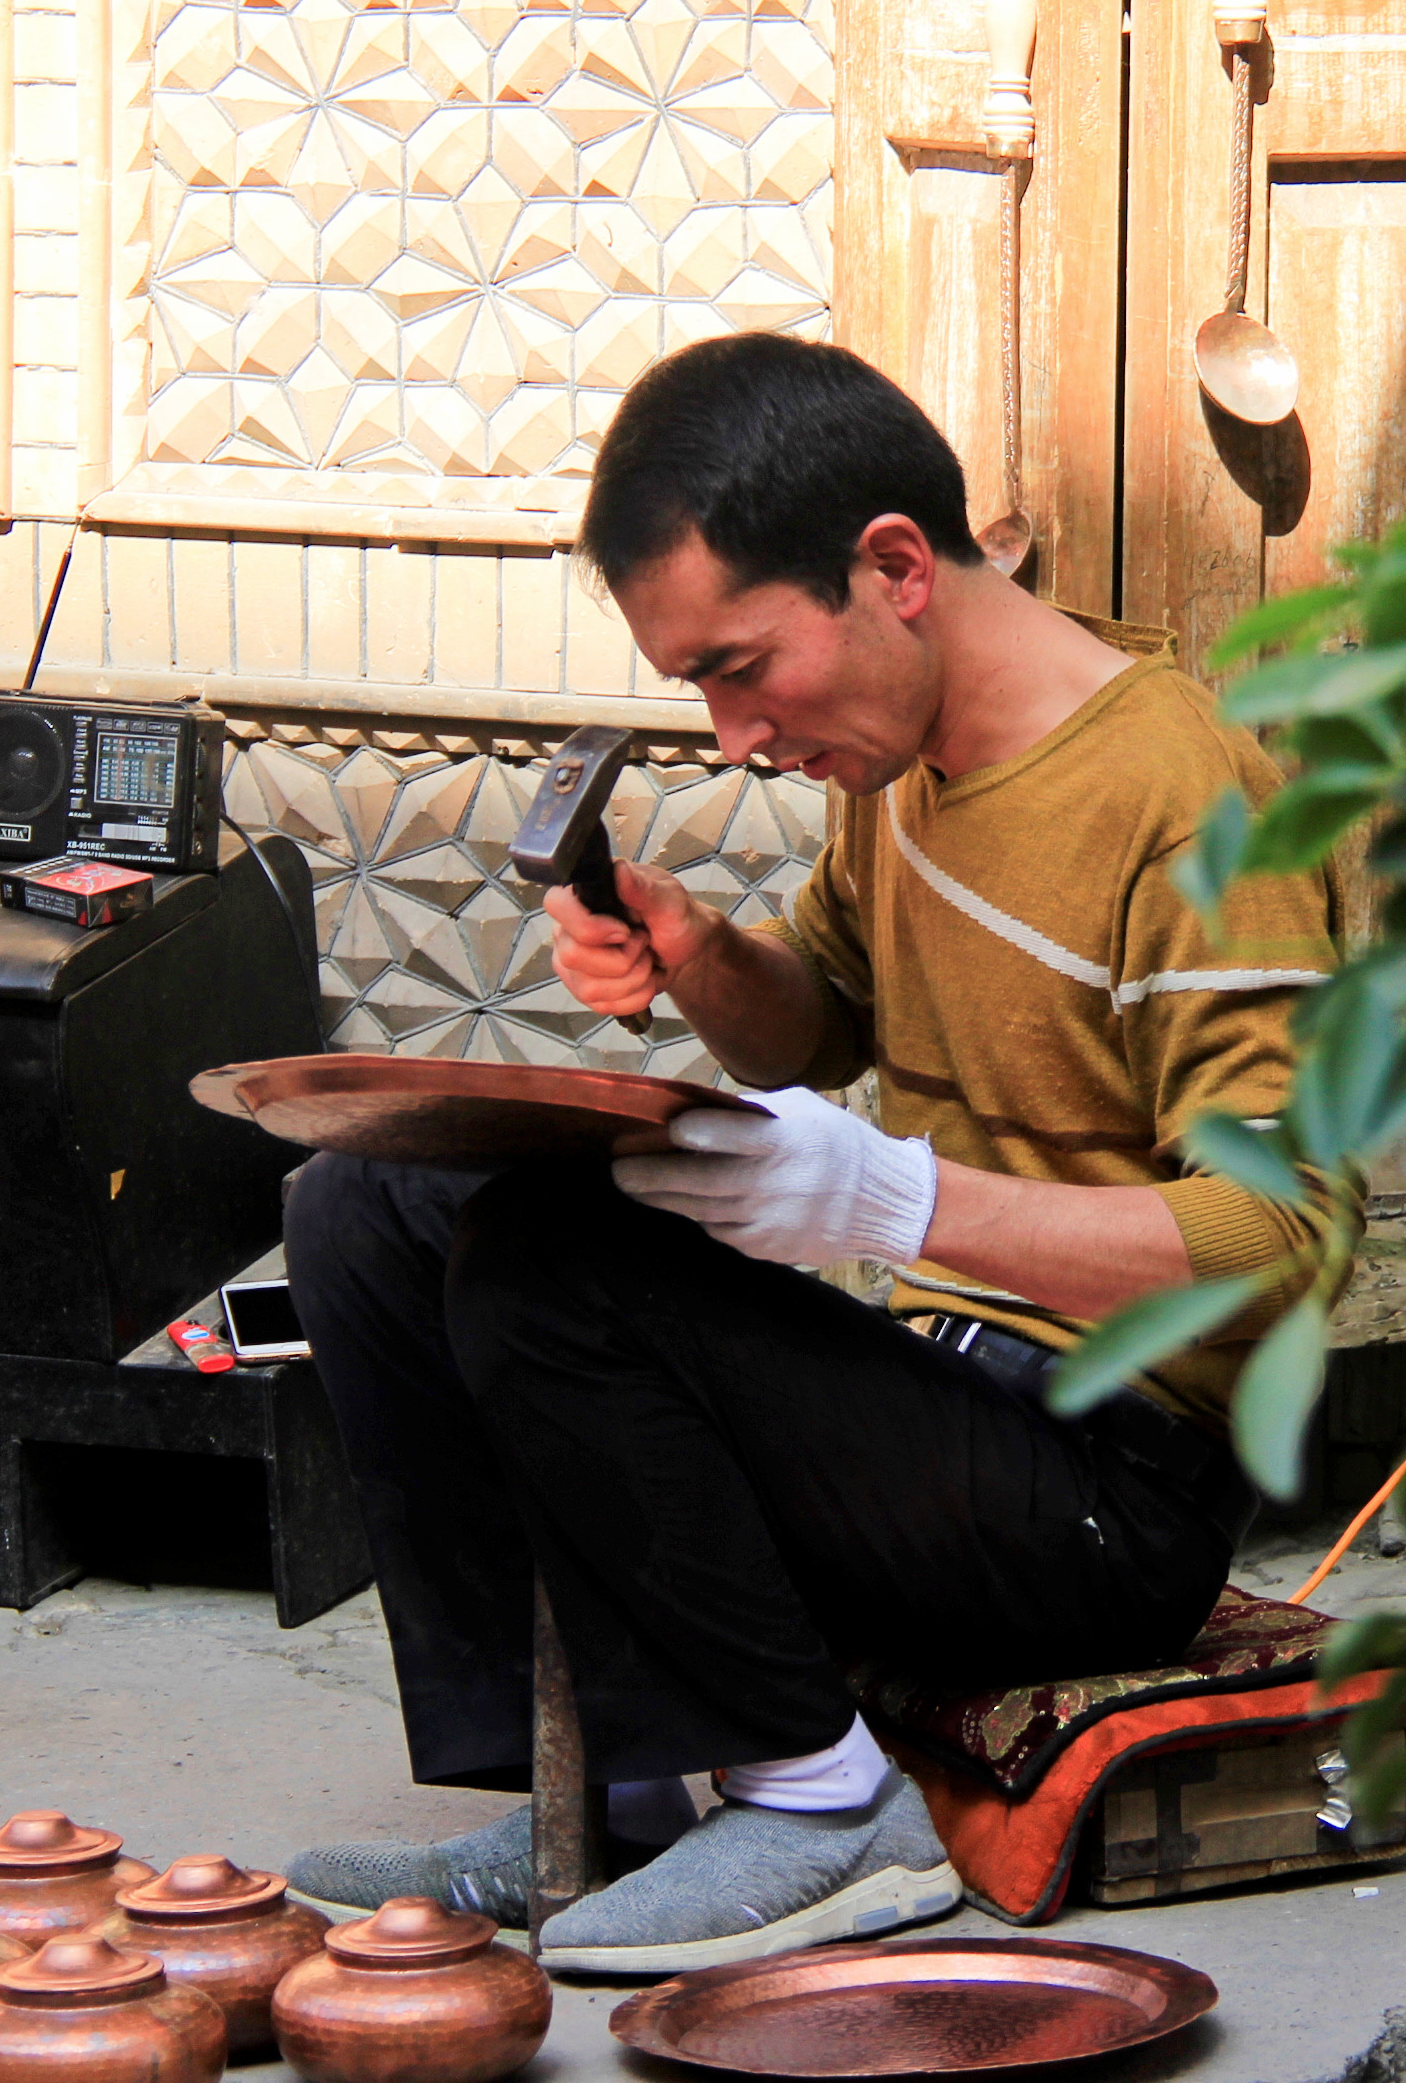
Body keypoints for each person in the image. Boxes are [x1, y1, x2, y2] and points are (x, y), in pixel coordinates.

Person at [281, 332, 1335, 1974]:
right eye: (700, 688)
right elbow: (819, 1021)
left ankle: (826, 1806)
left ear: (894, 569)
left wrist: (889, 1198)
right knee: (377, 1198)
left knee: (552, 1269)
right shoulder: (904, 760)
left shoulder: (1192, 807)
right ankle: (599, 1791)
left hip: (1105, 1504)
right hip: (930, 1411)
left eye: (741, 667)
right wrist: (699, 951)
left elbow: (1285, 1244)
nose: (734, 735)